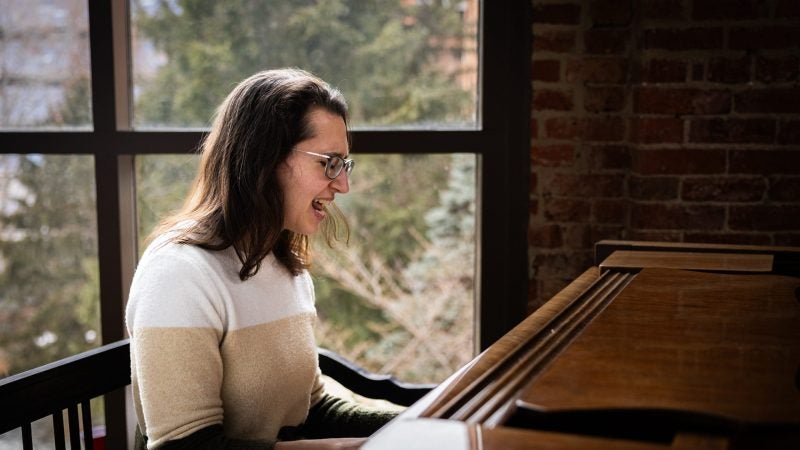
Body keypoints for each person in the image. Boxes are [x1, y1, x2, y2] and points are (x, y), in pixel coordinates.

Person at [126, 68, 397, 449]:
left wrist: (426, 418)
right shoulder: (178, 273)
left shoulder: (281, 259)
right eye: (329, 163)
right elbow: (183, 447)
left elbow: (311, 409)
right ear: (264, 159)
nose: (343, 184)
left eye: (344, 164)